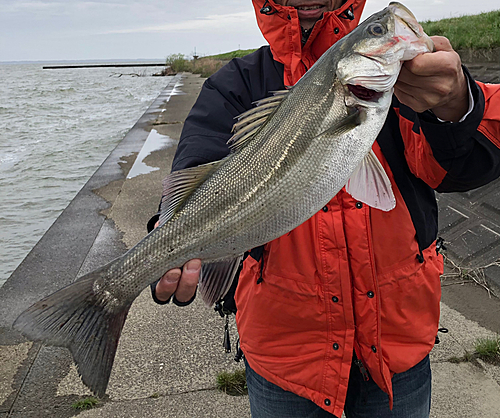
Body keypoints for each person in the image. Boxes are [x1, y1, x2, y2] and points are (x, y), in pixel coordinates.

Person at [148, 1, 500, 416]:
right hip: (285, 354)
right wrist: (167, 231)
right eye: (374, 34)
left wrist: (458, 105)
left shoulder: (410, 80)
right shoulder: (236, 83)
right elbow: (197, 165)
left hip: (397, 342)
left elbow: (459, 170)